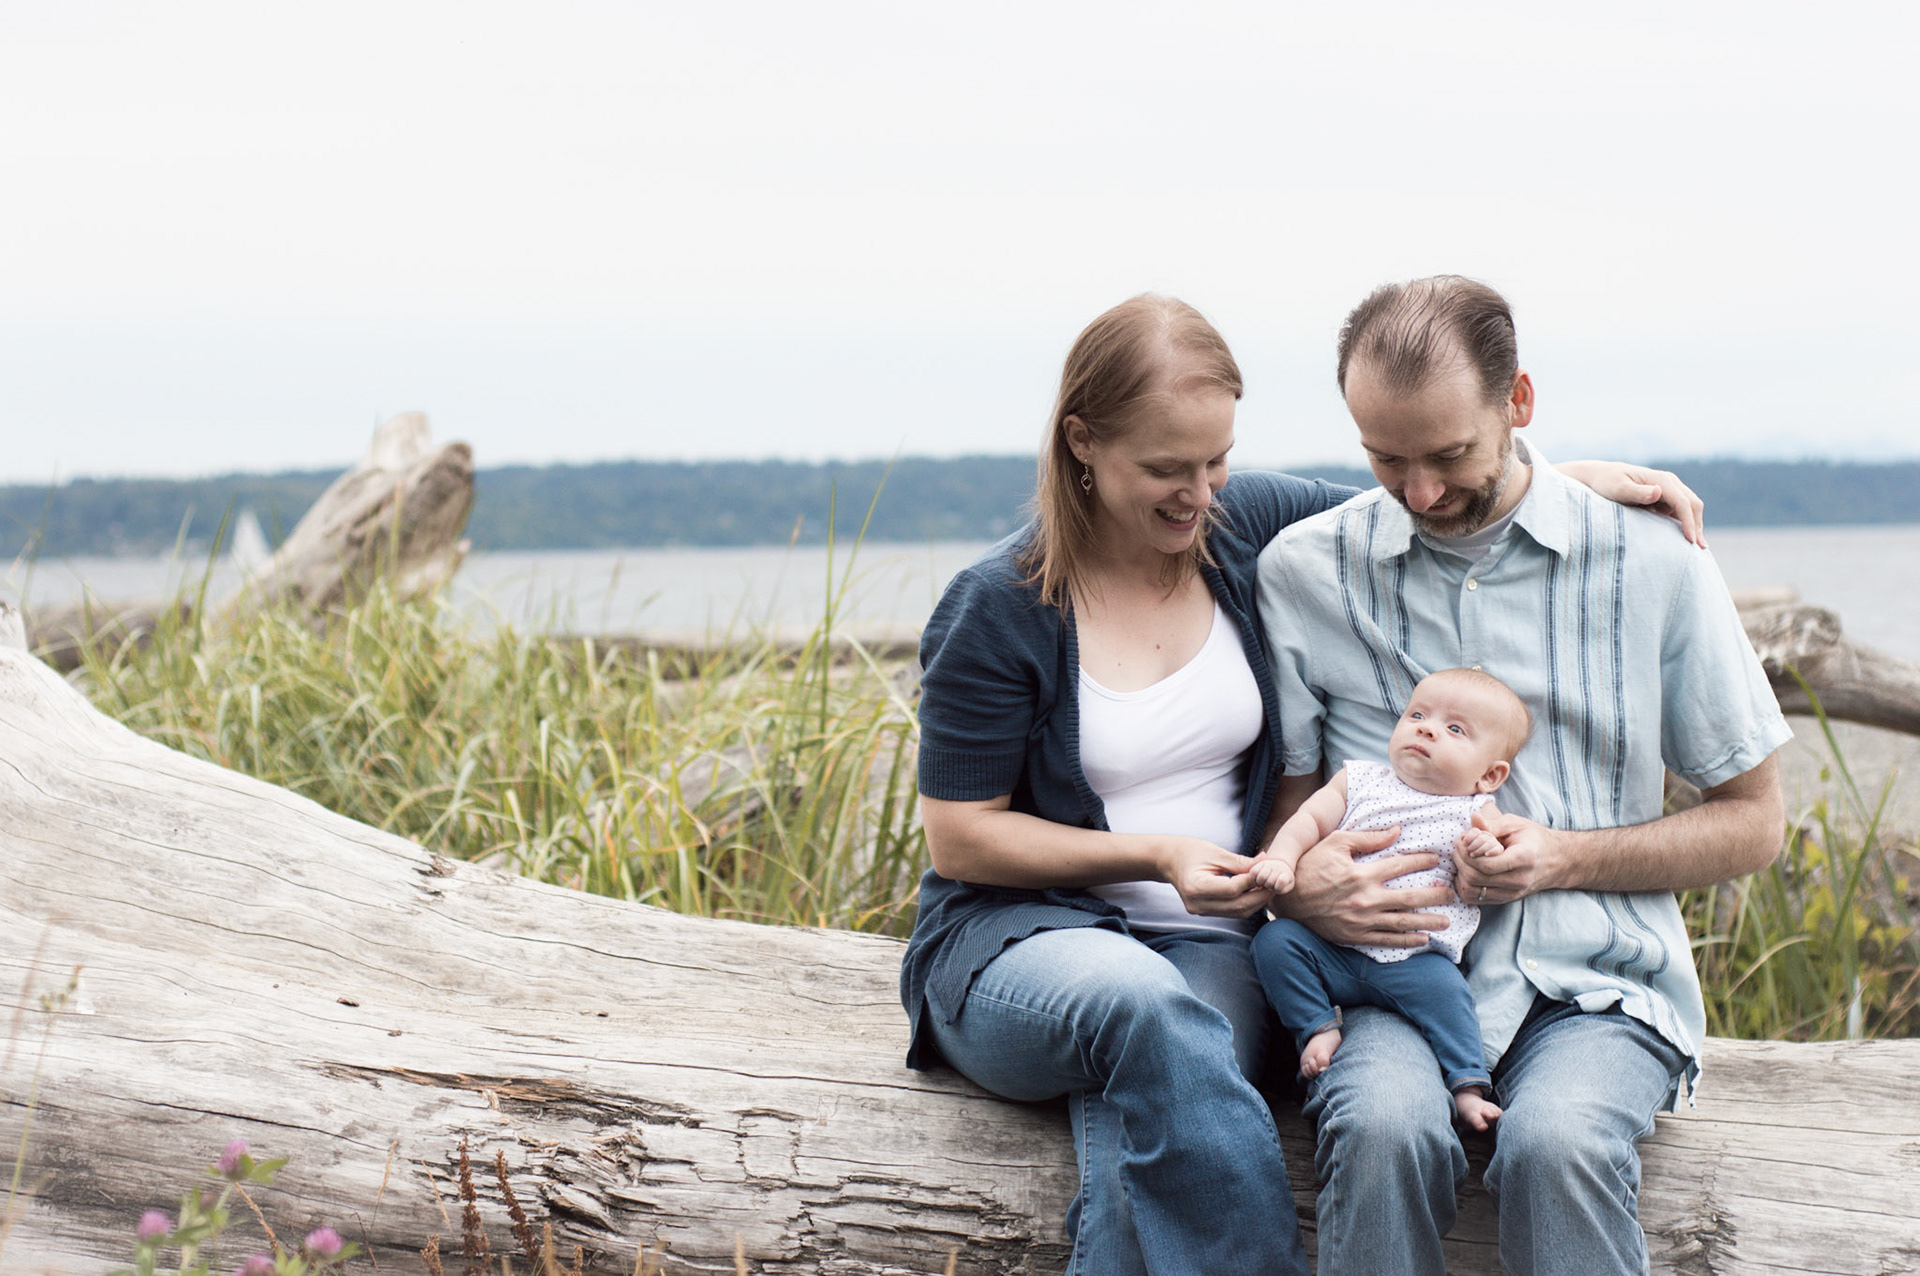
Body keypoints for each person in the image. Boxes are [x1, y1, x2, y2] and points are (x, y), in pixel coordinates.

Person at [899, 291, 1708, 1276]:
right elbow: (962, 838)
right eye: (1166, 468)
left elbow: (1424, 503)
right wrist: (1156, 855)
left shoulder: (1238, 527)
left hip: (1213, 947)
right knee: (1146, 1009)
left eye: (1216, 460)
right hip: (1024, 943)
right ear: (1082, 443)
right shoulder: (999, 606)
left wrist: (1566, 482)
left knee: (1156, 1088)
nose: (1198, 493)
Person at [1256, 275, 1790, 1276]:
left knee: (1557, 1146)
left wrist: (1559, 858)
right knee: (1378, 1130)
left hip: (1594, 985)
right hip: (1382, 983)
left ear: (1520, 402)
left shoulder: (1655, 562)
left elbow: (1755, 823)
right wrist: (1302, 887)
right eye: (1385, 458)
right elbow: (1288, 809)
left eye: (1450, 454)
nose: (1420, 493)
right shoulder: (1303, 571)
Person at [1250, 667, 1531, 1132]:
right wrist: (1282, 858)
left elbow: (1497, 850)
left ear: (1489, 775)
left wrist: (1486, 848)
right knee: (1274, 942)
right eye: (1417, 715)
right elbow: (1307, 821)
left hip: (1416, 960)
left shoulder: (1475, 809)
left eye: (1454, 729)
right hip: (1331, 950)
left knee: (1451, 997)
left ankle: (1467, 1084)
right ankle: (1317, 1026)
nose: (1426, 729)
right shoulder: (1359, 780)